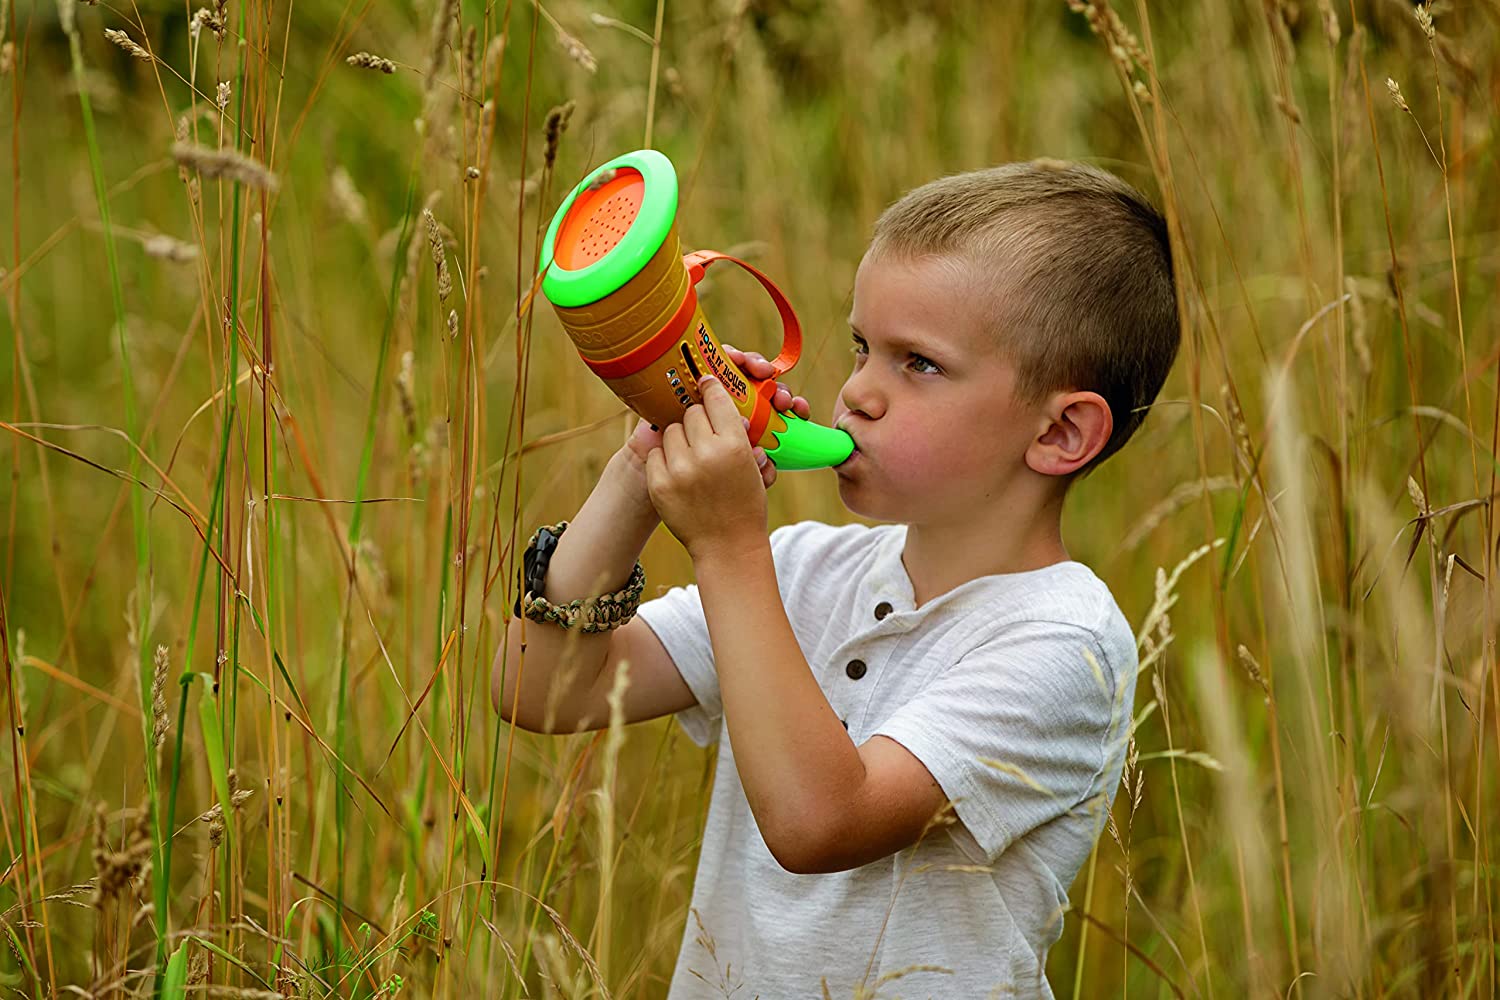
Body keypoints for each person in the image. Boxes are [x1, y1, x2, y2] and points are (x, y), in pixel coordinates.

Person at [492, 158, 1180, 998]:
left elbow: (820, 821)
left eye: (916, 364)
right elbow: (541, 691)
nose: (856, 390)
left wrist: (728, 547)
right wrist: (639, 473)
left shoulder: (1063, 644)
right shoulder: (803, 569)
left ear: (1062, 432)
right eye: (862, 347)